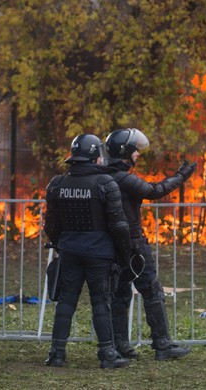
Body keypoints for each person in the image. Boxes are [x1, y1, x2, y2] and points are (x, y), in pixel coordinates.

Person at [103, 128, 196, 361]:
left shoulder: (103, 175)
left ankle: (120, 344)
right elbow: (154, 191)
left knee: (120, 293)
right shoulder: (123, 178)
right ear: (125, 151)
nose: (138, 154)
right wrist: (180, 177)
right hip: (134, 245)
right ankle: (162, 345)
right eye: (135, 150)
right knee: (152, 290)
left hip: (112, 245)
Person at [43, 134, 132, 369]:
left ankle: (57, 353)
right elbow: (119, 225)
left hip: (69, 251)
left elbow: (50, 224)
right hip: (99, 253)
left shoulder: (57, 184)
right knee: (101, 302)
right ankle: (107, 355)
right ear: (95, 157)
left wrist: (61, 243)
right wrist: (124, 255)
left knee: (66, 301)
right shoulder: (105, 184)